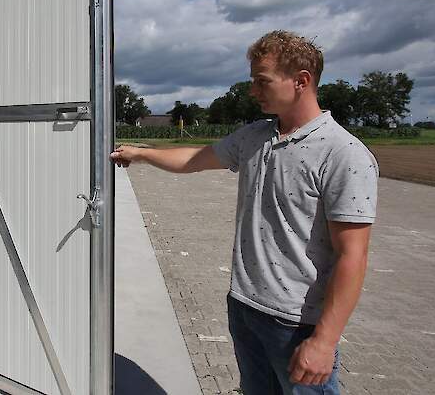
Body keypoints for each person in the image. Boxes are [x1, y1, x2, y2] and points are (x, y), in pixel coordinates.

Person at [111, 30, 377, 395]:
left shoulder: (343, 154)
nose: (253, 90)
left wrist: (324, 341)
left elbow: (353, 255)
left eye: (261, 81)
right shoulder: (255, 137)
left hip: (298, 324)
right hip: (245, 307)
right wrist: (141, 153)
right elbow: (193, 159)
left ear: (301, 81)